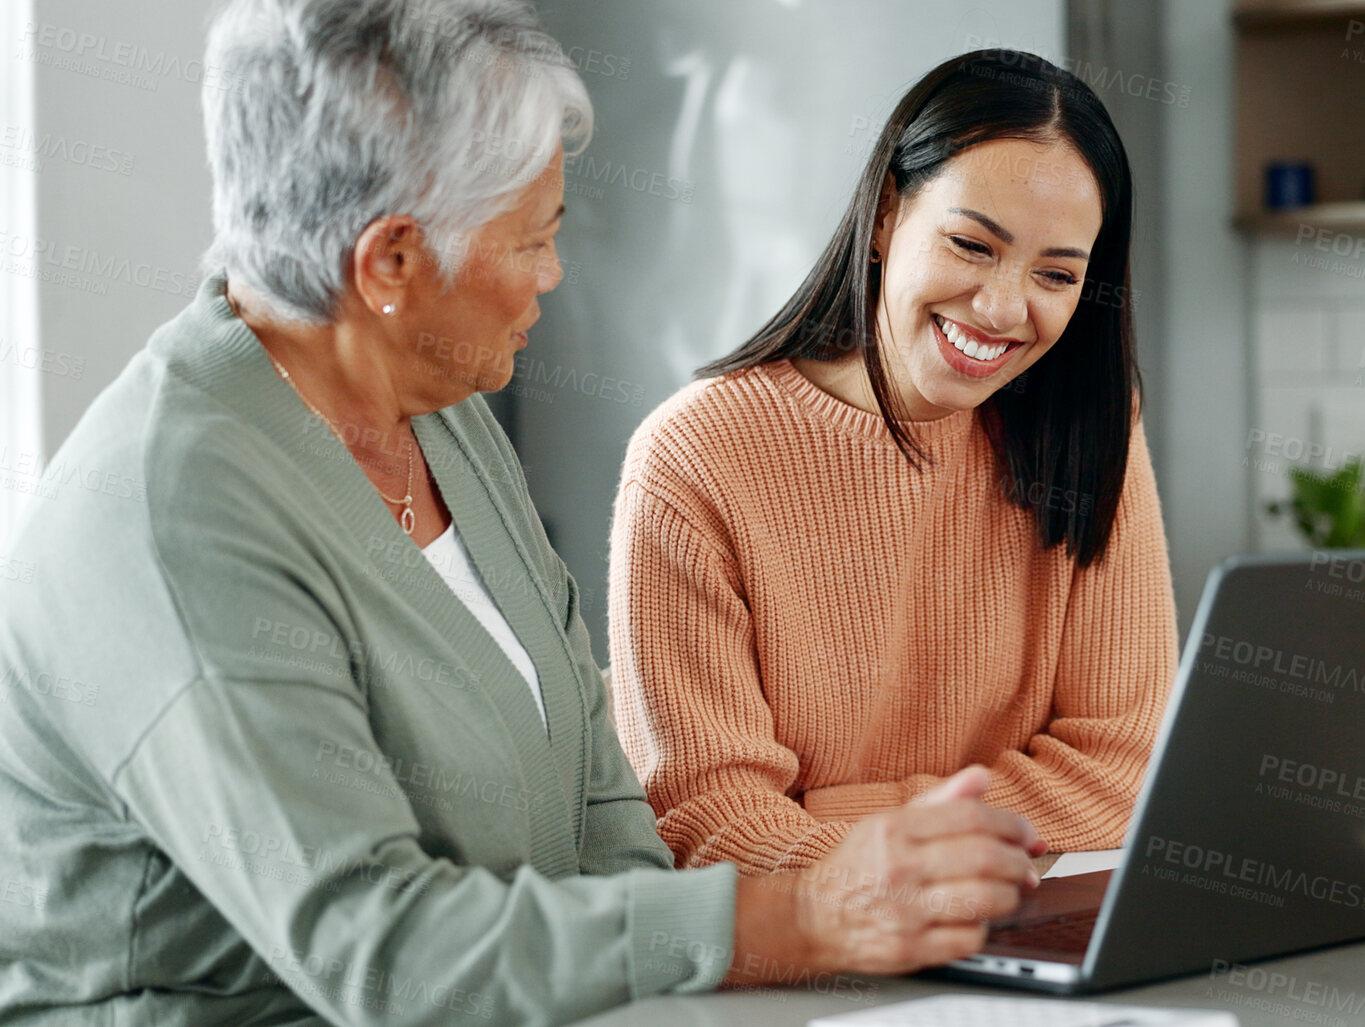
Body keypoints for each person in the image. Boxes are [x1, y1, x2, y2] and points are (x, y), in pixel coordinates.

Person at [0, 4, 1042, 1024]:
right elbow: (388, 957)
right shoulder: (172, 511)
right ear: (391, 265)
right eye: (531, 237)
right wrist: (802, 915)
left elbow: (598, 801)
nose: (553, 273)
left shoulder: (432, 405)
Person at [608, 49, 1176, 873]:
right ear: (883, 216)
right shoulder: (697, 455)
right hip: (794, 959)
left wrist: (835, 819)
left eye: (1056, 273)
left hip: (1008, 935)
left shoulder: (1089, 430)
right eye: (971, 245)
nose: (1002, 308)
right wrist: (943, 850)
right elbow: (711, 825)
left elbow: (1122, 773)